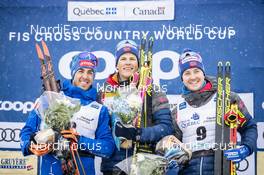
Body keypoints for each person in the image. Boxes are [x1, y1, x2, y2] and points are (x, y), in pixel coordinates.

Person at [20, 51, 115, 175]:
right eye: (81, 71)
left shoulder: (99, 109)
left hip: (82, 170)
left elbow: (108, 148)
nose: (85, 77)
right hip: (51, 170)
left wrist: (79, 140)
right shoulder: (50, 98)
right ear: (73, 72)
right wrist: (30, 146)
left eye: (90, 72)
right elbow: (27, 131)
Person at [168, 49, 258, 174]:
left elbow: (249, 126)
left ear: (203, 73)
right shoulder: (177, 109)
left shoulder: (227, 98)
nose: (193, 77)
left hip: (221, 166)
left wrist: (246, 148)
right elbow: (174, 143)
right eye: (187, 73)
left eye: (196, 71)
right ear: (182, 78)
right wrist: (171, 162)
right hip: (188, 169)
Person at [98, 40, 174, 174]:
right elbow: (99, 130)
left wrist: (138, 134)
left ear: (138, 64)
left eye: (132, 58)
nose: (128, 62)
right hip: (113, 166)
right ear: (117, 64)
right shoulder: (105, 91)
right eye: (123, 59)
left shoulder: (152, 90)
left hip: (144, 164)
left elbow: (166, 128)